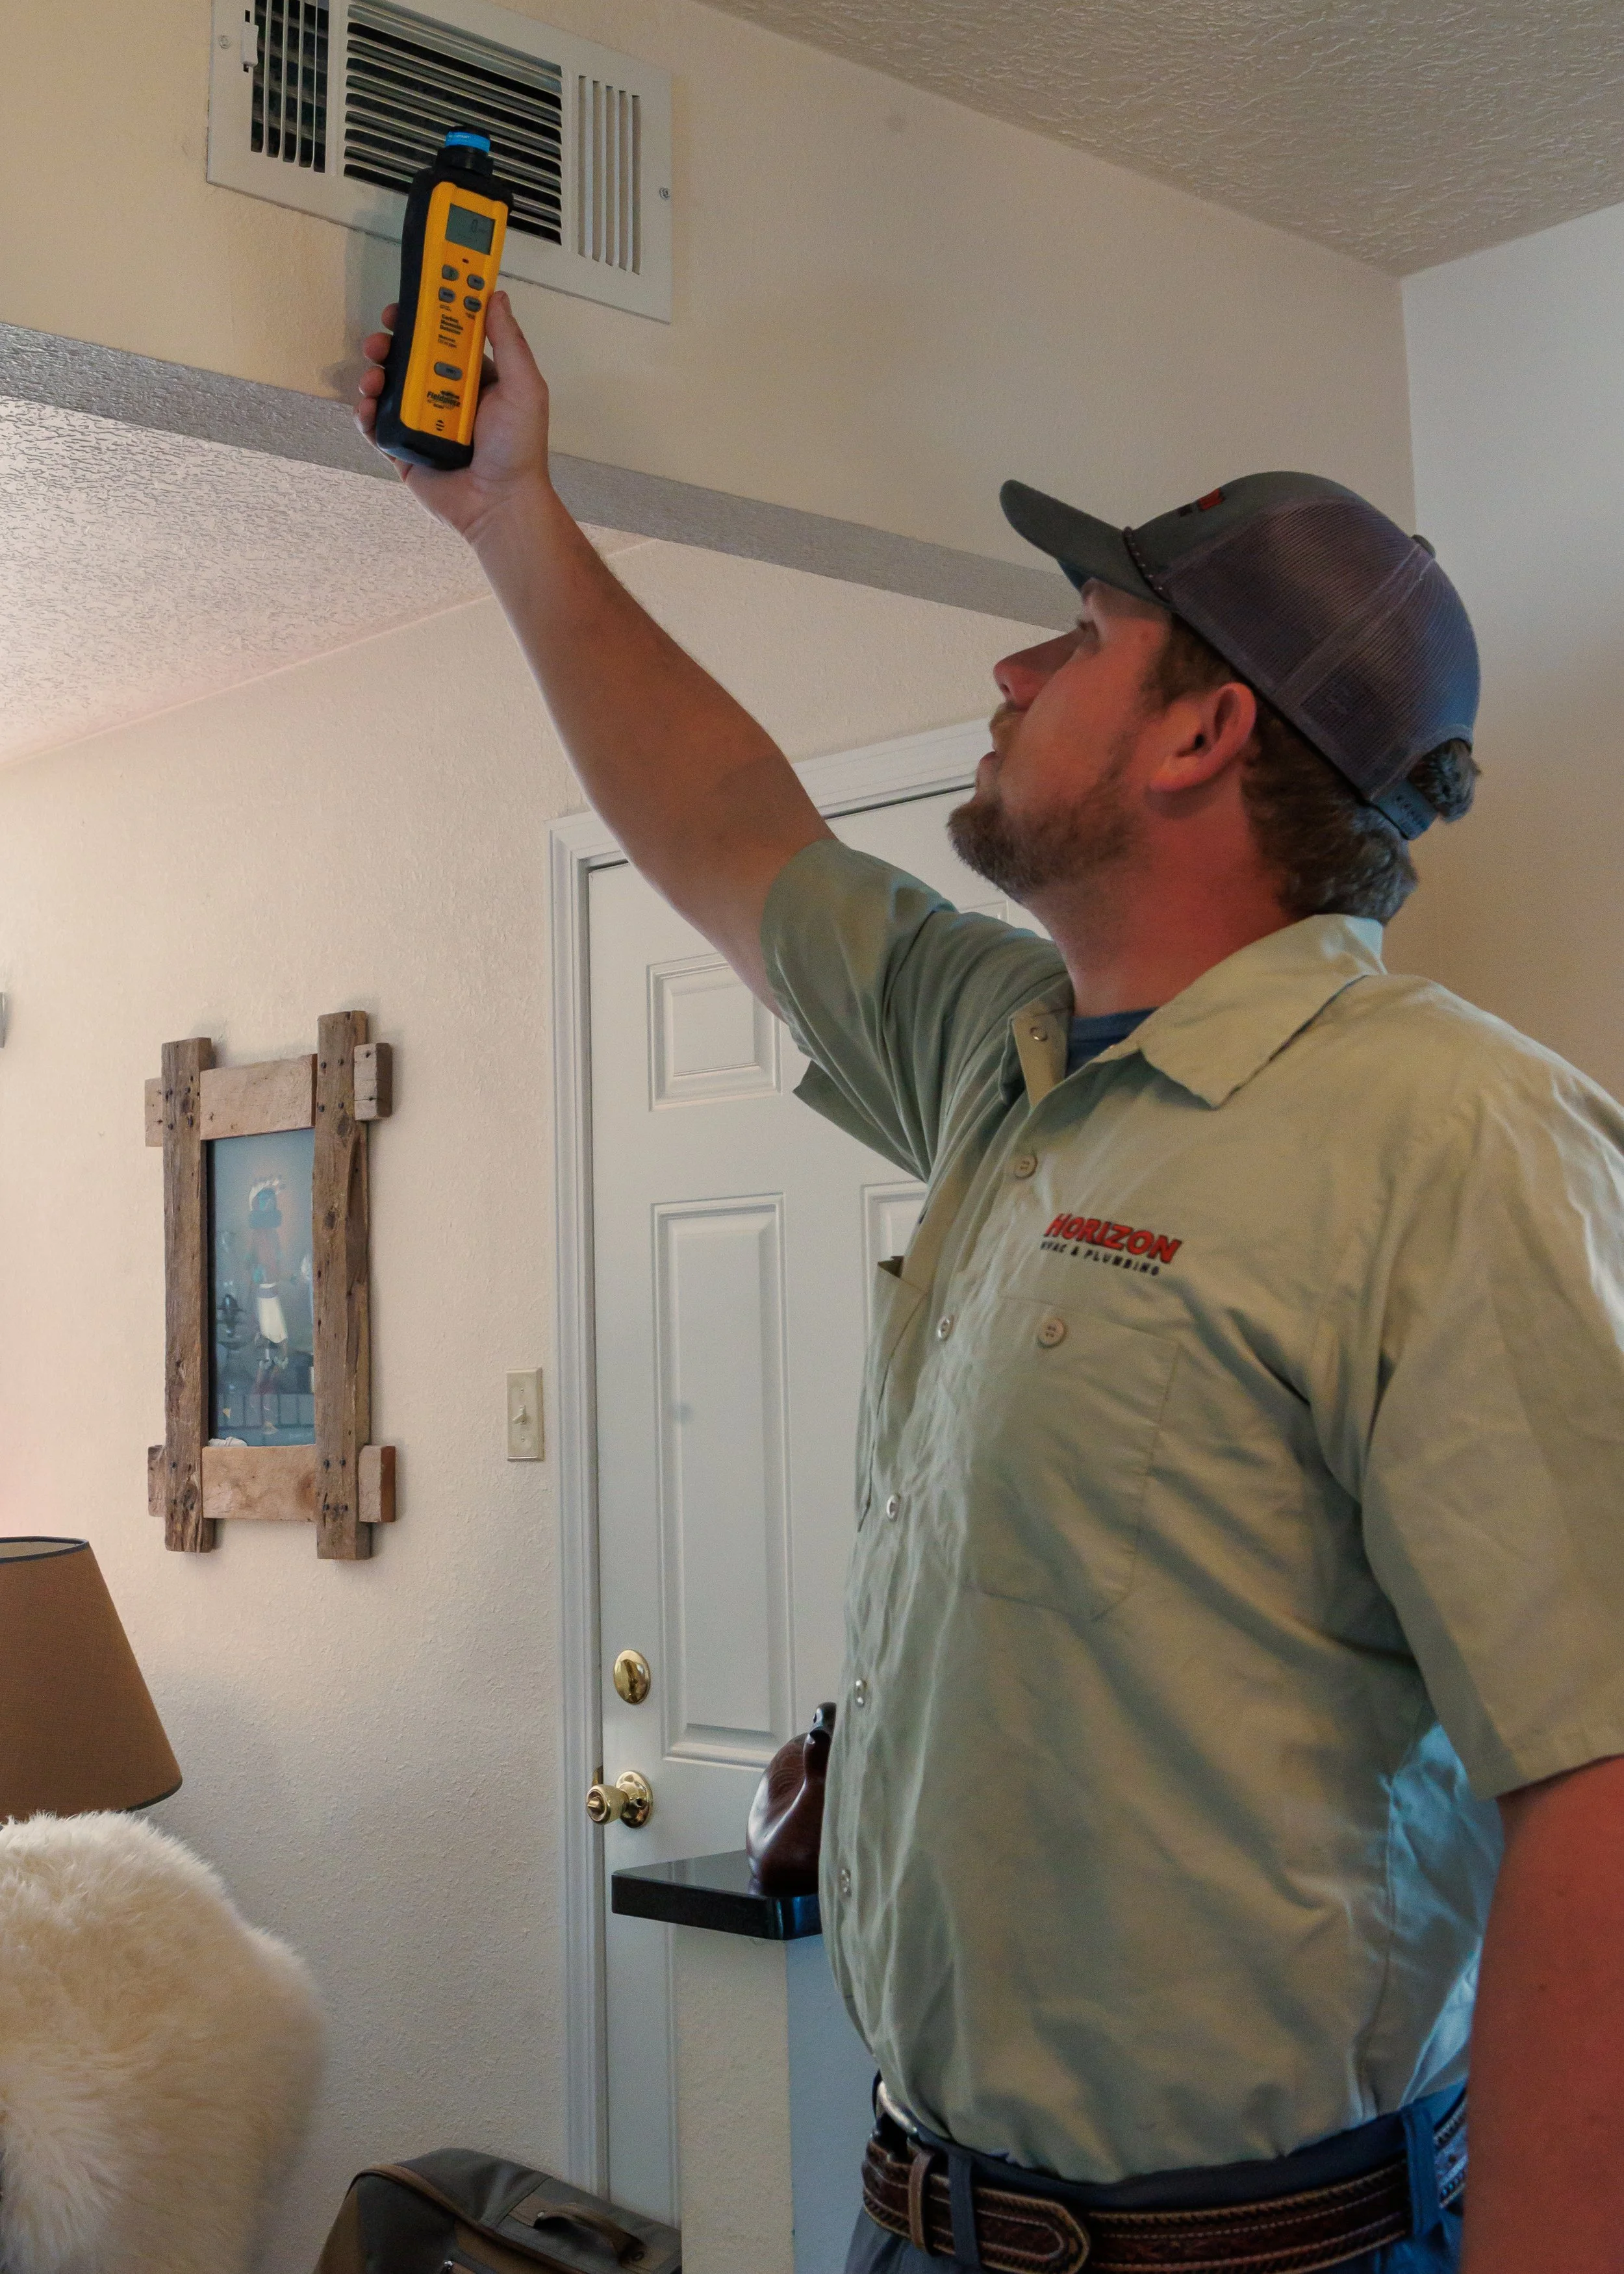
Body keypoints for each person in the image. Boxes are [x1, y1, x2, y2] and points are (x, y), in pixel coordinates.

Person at [357, 294, 1624, 2274]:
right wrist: (511, 510)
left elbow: (1601, 1784)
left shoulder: (1450, 1137)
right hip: (920, 2212)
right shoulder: (1002, 1057)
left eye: (1080, 637)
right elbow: (732, 832)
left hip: (1263, 2249)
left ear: (1206, 733)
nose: (1010, 662)